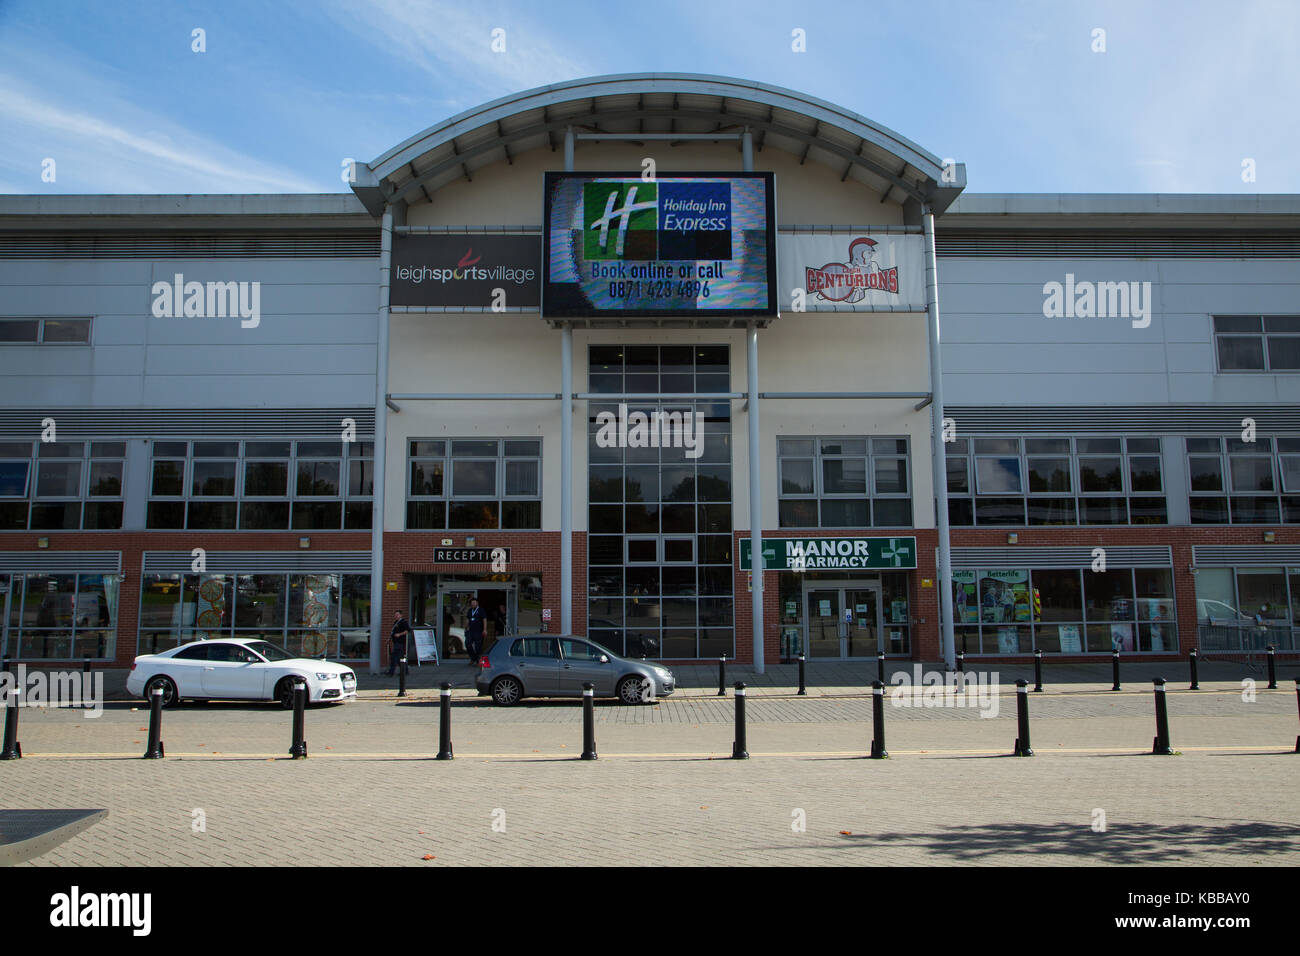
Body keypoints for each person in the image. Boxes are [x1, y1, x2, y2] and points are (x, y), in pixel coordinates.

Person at [387, 610, 411, 677]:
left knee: (394, 657)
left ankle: (391, 672)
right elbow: (393, 632)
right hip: (396, 642)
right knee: (400, 658)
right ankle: (404, 671)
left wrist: (399, 634)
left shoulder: (403, 622)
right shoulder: (396, 622)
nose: (396, 616)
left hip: (400, 642)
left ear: (401, 615)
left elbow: (407, 630)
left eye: (397, 615)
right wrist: (389, 638)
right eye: (395, 615)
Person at [465, 598, 485, 666]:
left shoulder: (481, 610)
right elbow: (467, 619)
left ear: (477, 603)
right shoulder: (470, 610)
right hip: (470, 631)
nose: (473, 604)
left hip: (478, 631)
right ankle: (473, 658)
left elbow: (484, 619)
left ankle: (477, 660)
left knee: (478, 647)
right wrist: (466, 627)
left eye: (474, 602)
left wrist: (485, 629)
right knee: (467, 644)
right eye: (472, 603)